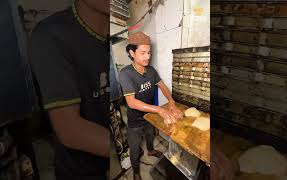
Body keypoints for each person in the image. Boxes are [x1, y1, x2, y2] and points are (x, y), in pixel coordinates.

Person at [29, 0, 110, 179]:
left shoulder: (122, 33)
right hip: (83, 172)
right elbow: (70, 129)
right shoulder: (50, 36)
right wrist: (129, 148)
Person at [119, 31, 183, 180]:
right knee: (134, 149)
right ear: (132, 53)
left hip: (149, 116)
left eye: (149, 52)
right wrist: (159, 109)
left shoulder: (151, 71)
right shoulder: (126, 74)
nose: (147, 56)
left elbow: (162, 86)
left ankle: (151, 151)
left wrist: (172, 103)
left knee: (150, 136)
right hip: (135, 121)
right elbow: (131, 102)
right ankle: (135, 172)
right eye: (143, 53)